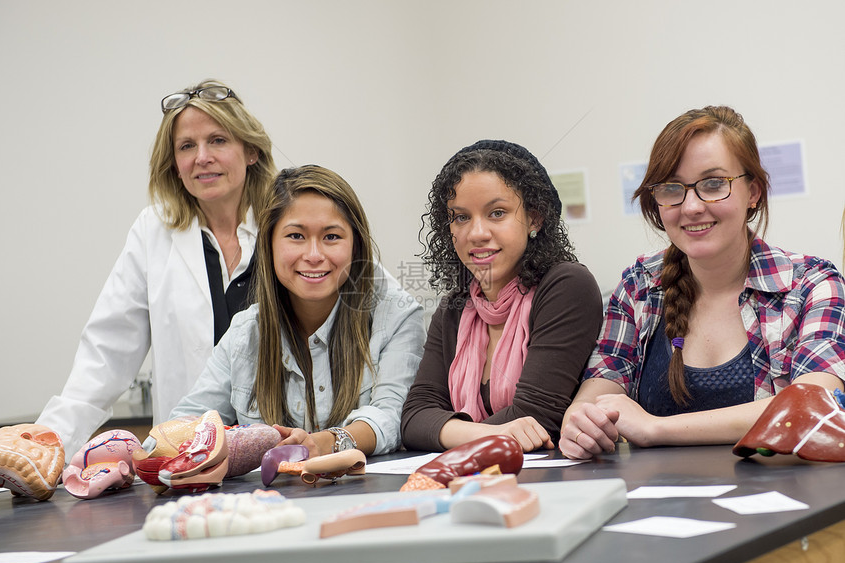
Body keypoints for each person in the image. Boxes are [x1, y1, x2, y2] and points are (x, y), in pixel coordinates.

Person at [560, 105, 845, 460]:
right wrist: (580, 418)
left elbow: (813, 406)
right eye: (671, 188)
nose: (692, 206)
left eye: (713, 185)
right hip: (655, 509)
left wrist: (655, 428)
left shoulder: (810, 285)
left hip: (774, 506)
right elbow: (599, 391)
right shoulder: (640, 286)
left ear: (753, 192)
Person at [37, 80, 277, 459]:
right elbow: (106, 353)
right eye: (187, 146)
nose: (202, 157)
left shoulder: (289, 221)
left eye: (218, 140)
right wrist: (43, 447)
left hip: (286, 451)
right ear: (175, 165)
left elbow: (372, 302)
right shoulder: (154, 232)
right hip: (187, 459)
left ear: (250, 151)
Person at [168, 165, 426, 457]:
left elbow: (391, 416)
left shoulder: (396, 317)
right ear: (269, 244)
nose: (314, 255)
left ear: (355, 246)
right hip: (269, 501)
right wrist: (138, 451)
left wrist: (323, 444)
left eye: (331, 237)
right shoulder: (245, 332)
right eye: (296, 236)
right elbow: (189, 420)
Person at [400, 140, 603, 453]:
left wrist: (449, 431)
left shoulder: (566, 286)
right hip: (475, 484)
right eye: (461, 217)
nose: (477, 233)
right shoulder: (455, 307)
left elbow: (537, 417)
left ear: (534, 218)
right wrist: (494, 433)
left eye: (497, 213)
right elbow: (414, 419)